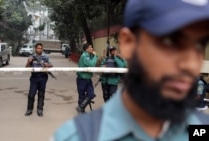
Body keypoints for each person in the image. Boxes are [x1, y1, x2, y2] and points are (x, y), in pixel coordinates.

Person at [52, 0, 209, 140]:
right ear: (128, 43)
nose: (191, 64)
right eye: (170, 41)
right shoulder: (79, 136)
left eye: (200, 44)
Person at [25, 43, 53, 117]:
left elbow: (51, 65)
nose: (40, 49)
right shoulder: (32, 56)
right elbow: (27, 67)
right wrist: (29, 61)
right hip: (34, 77)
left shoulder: (46, 56)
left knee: (41, 94)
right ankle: (29, 109)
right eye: (38, 48)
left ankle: (40, 110)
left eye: (41, 48)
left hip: (43, 77)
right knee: (31, 94)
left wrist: (47, 65)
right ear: (35, 48)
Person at [76, 43, 98, 114]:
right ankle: (81, 110)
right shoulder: (84, 56)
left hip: (88, 78)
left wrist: (94, 56)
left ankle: (80, 107)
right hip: (82, 79)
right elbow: (92, 64)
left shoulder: (89, 55)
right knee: (81, 95)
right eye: (90, 47)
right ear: (86, 49)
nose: (92, 49)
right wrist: (95, 56)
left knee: (91, 94)